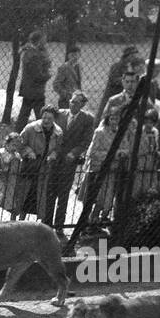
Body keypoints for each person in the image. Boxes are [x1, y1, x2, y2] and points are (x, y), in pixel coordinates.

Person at [49, 91, 95, 229]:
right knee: (50, 192)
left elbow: (86, 141)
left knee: (63, 194)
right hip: (55, 158)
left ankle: (59, 225)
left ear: (82, 104)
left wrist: (74, 153)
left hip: (69, 161)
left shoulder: (87, 119)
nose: (72, 104)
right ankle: (46, 222)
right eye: (71, 101)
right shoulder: (60, 114)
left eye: (76, 102)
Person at [76, 109, 130, 226]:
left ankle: (96, 219)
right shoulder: (100, 132)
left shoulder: (121, 132)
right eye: (112, 118)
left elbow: (127, 149)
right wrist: (113, 154)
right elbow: (93, 152)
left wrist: (120, 153)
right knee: (92, 197)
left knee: (106, 198)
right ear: (107, 119)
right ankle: (85, 222)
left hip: (112, 170)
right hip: (97, 169)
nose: (114, 121)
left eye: (116, 119)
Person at [20, 106, 62, 218]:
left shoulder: (58, 132)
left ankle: (38, 224)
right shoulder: (30, 128)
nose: (46, 120)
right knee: (25, 195)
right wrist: (29, 151)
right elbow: (20, 144)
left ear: (55, 119)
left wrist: (54, 154)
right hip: (30, 167)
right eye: (44, 117)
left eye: (50, 118)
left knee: (40, 197)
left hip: (45, 169)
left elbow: (58, 148)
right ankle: (20, 220)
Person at [0, 132, 26, 220]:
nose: (15, 148)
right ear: (7, 143)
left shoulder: (17, 156)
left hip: (9, 186)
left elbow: (18, 171)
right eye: (13, 144)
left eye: (17, 146)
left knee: (9, 207)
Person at [16, 29, 52, 131]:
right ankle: (44, 134)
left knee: (24, 114)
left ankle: (18, 133)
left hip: (28, 89)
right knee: (41, 115)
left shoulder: (29, 52)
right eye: (44, 40)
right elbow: (38, 75)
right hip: (36, 90)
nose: (46, 43)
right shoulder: (35, 55)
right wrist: (48, 75)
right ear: (39, 41)